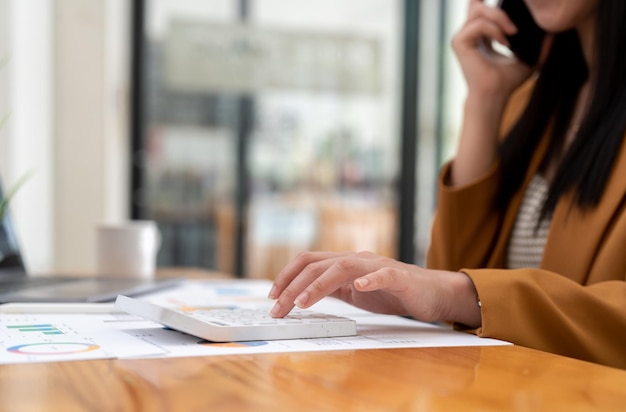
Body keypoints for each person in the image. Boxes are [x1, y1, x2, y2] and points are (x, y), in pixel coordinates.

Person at [268, 0, 626, 369]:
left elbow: (460, 292)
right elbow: (452, 288)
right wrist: (484, 99)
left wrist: (463, 293)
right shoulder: (535, 102)